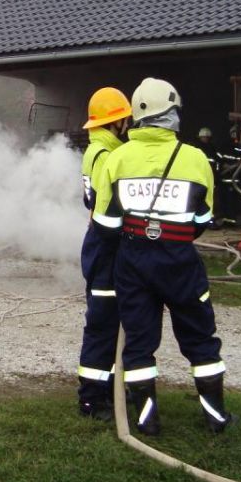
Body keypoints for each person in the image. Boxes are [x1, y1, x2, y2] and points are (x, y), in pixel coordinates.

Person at [92, 77, 234, 435]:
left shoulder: (117, 159)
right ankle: (216, 417)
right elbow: (203, 220)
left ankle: (146, 420)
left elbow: (105, 224)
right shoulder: (196, 159)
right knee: (201, 339)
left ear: (137, 118)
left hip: (133, 263)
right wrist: (174, 234)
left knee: (139, 342)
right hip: (181, 262)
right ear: (172, 114)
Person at [76, 87, 132, 420]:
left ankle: (110, 391)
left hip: (107, 247)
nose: (128, 126)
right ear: (116, 124)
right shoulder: (105, 156)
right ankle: (91, 399)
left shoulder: (101, 150)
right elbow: (102, 206)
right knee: (101, 325)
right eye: (124, 121)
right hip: (105, 247)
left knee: (113, 324)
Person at [215, 125, 241, 227]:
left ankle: (233, 221)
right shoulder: (224, 146)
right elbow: (218, 160)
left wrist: (238, 165)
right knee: (224, 202)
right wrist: (221, 169)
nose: (235, 136)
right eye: (233, 133)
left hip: (237, 181)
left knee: (235, 203)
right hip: (225, 181)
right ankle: (226, 221)